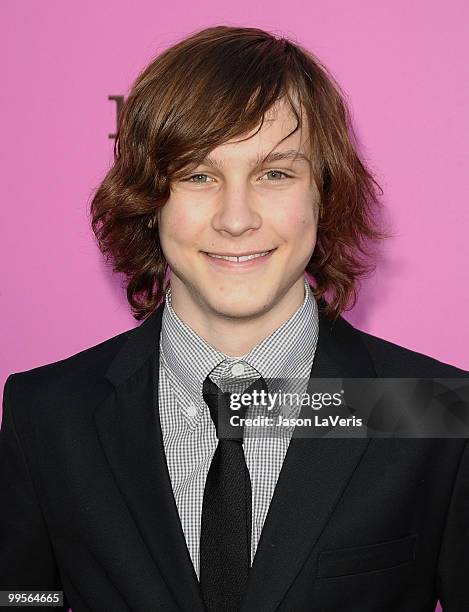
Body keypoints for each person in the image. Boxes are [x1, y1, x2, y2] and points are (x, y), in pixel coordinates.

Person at [1, 25, 468, 612]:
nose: (237, 217)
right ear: (150, 198)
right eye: (199, 175)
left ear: (323, 194)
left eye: (275, 173)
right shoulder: (48, 413)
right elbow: (22, 597)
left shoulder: (431, 410)